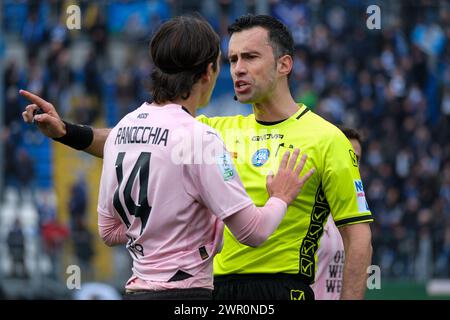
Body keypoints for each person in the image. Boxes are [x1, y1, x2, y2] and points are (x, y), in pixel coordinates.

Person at [21, 14, 372, 300]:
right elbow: (128, 141)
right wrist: (67, 131)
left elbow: (357, 236)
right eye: (231, 59)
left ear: (284, 64)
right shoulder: (211, 130)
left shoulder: (326, 138)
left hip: (280, 288)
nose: (237, 69)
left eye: (250, 57)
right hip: (209, 290)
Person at [312, 127, 363, 300]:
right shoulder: (305, 209)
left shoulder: (355, 220)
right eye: (347, 156)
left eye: (356, 159)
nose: (352, 164)